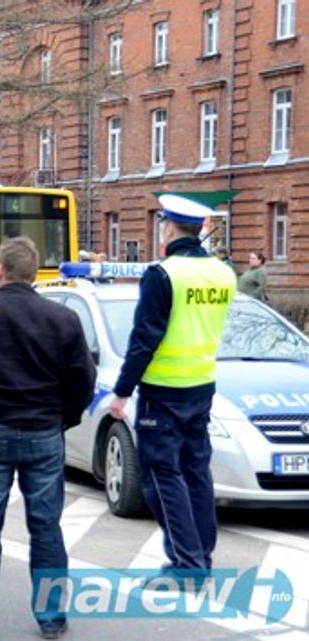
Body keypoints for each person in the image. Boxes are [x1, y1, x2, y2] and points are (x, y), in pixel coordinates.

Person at [0, 236, 96, 640]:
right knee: (46, 526)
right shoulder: (62, 320)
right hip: (45, 434)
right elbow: (83, 380)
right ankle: (51, 618)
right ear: (34, 274)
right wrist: (64, 419)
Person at [108, 194, 237, 573]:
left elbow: (144, 339)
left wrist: (122, 391)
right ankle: (202, 555)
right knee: (197, 470)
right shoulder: (223, 274)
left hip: (162, 391)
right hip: (202, 385)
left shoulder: (162, 275)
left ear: (168, 228)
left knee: (162, 475)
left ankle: (187, 562)